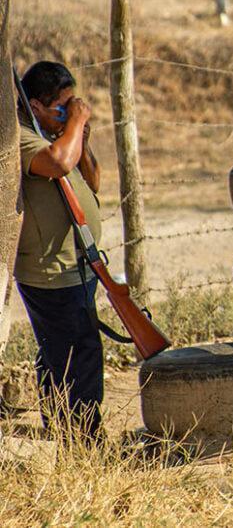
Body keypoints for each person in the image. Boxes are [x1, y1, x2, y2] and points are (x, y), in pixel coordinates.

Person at [16, 61, 104, 437]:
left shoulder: (57, 133)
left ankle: (69, 435)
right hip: (52, 272)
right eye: (61, 107)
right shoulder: (22, 137)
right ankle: (82, 443)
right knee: (76, 358)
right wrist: (76, 123)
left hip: (77, 265)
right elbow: (57, 162)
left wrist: (75, 129)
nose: (70, 113)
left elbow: (93, 178)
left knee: (63, 357)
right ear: (35, 107)